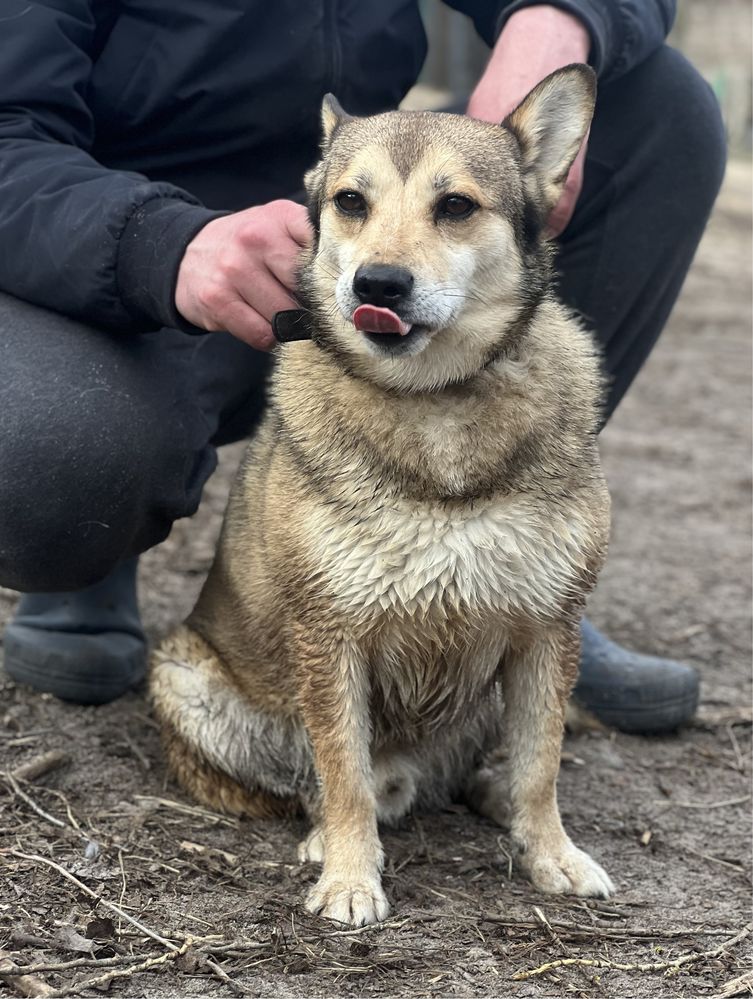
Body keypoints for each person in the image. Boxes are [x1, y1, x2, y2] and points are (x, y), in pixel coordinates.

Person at [0, 1, 725, 731]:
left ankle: (515, 589)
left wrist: (555, 20)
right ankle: (103, 545)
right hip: (125, 256)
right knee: (49, 458)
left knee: (659, 109)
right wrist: (159, 245)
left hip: (363, 217)